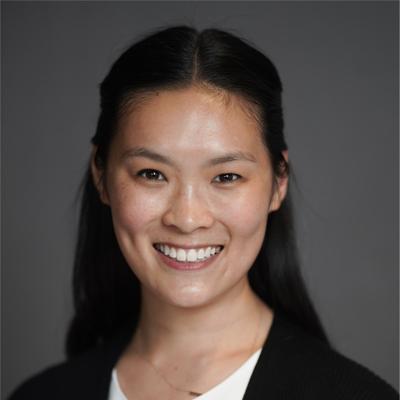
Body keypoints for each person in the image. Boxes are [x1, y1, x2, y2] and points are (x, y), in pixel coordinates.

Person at [9, 25, 398, 400]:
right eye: (152, 174)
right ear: (101, 174)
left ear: (278, 182)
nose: (187, 217)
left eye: (226, 176)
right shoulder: (43, 395)